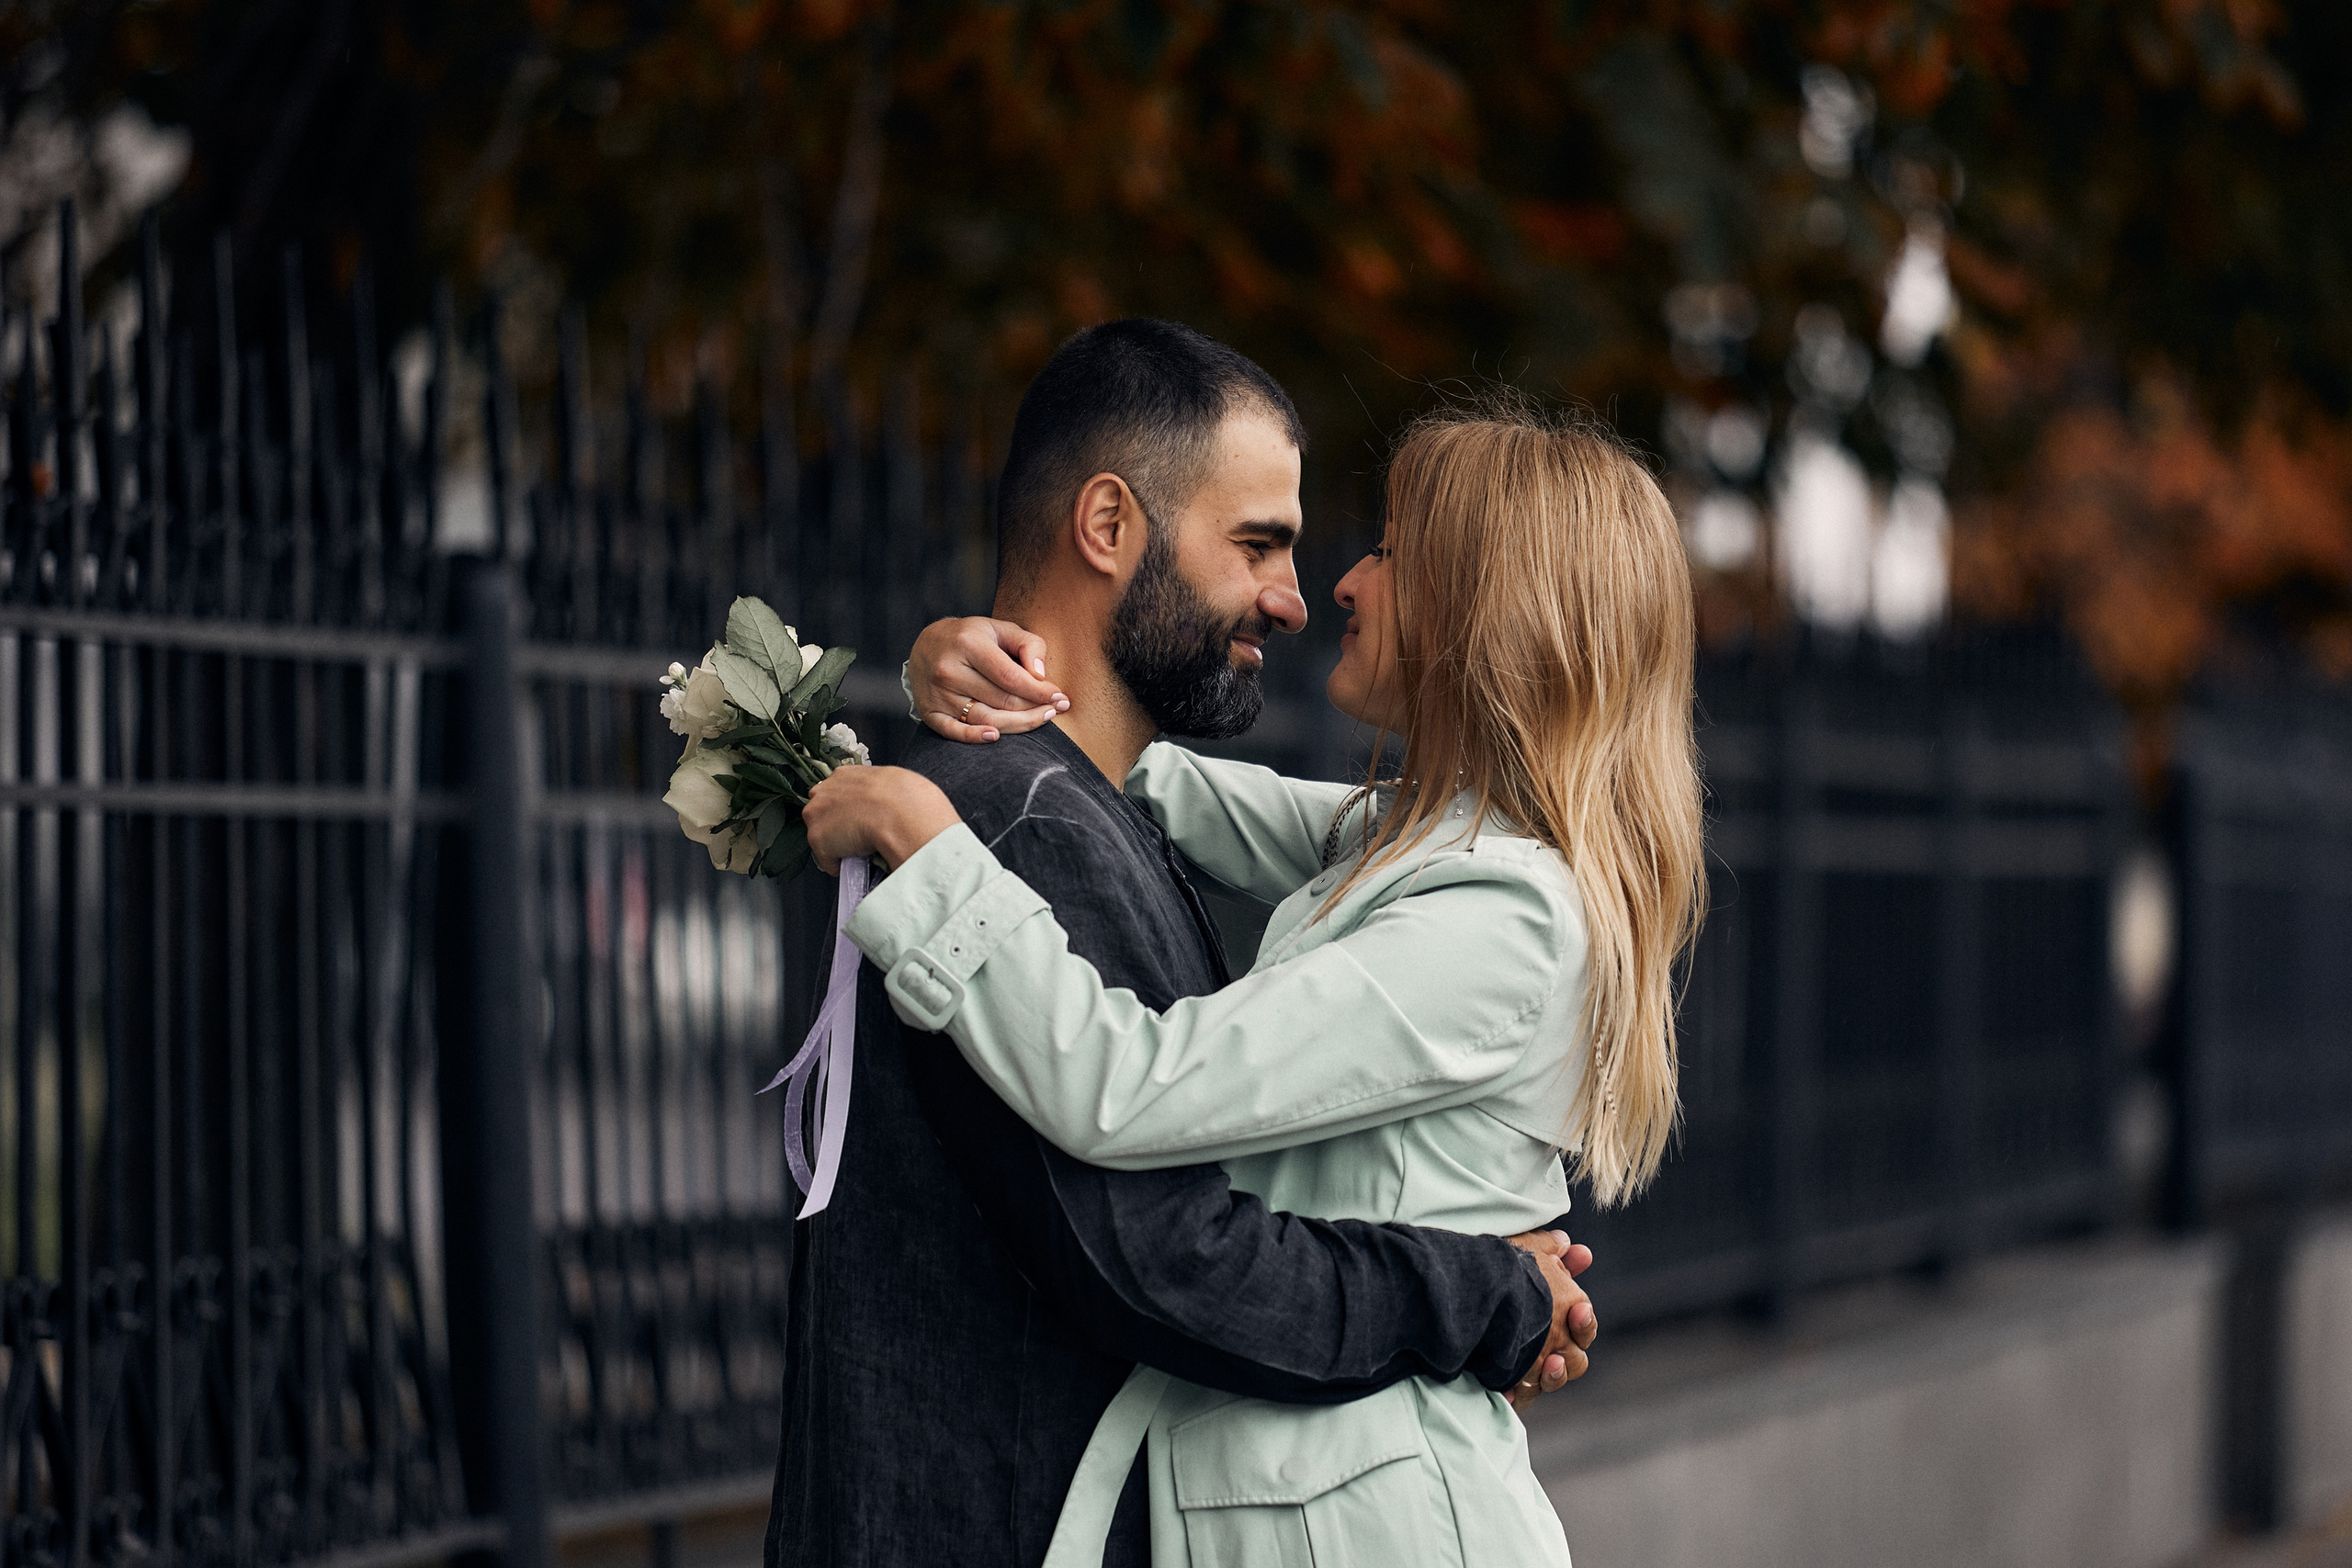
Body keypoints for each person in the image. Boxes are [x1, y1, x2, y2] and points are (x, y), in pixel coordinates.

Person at [802, 399, 1705, 1563]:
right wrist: (978, 660)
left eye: (1389, 552)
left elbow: (1129, 1088)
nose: (1341, 584)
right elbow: (1140, 774)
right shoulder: (1411, 842)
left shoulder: (1503, 915)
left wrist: (931, 857)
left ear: (1488, 616)